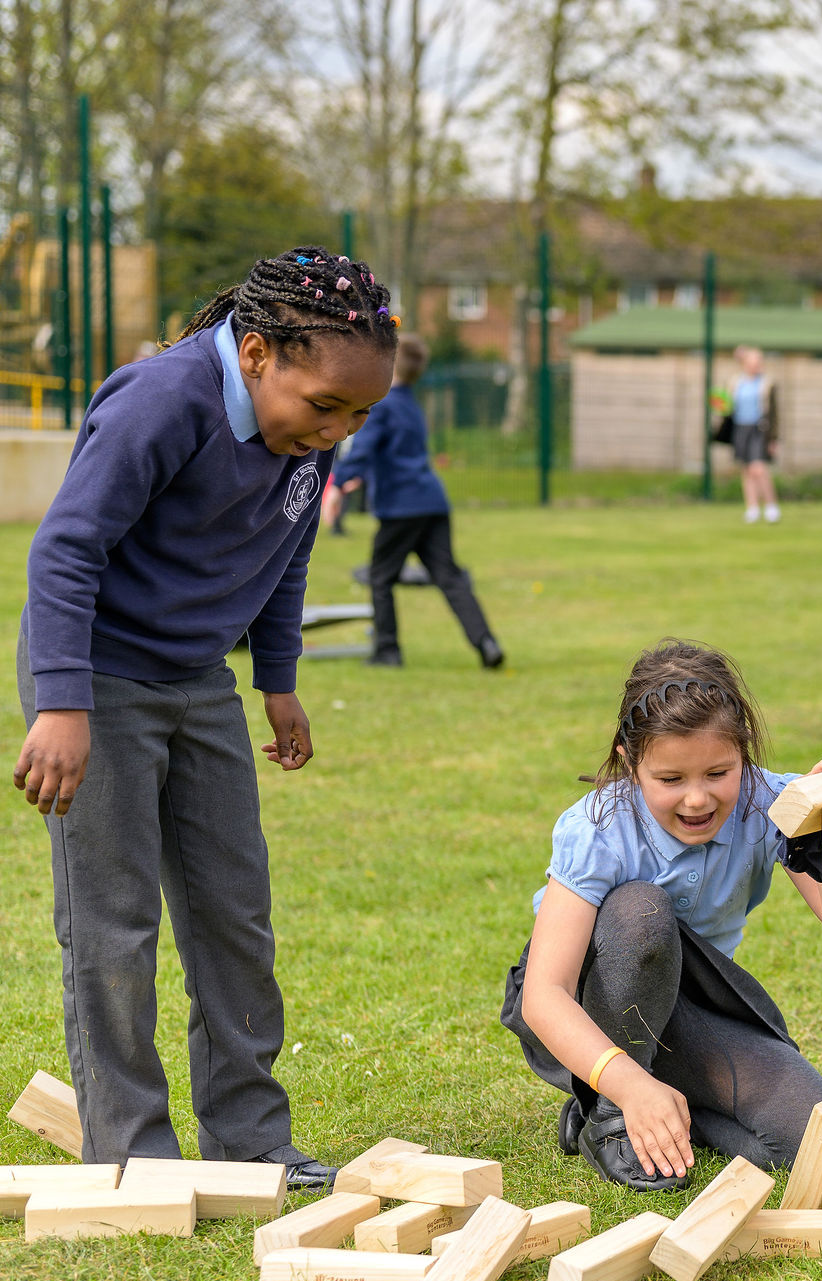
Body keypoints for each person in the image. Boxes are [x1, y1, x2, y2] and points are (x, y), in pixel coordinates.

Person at [13, 246, 398, 1182]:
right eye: (325, 408)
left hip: (197, 680)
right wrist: (62, 705)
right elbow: (65, 552)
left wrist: (278, 676)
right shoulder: (160, 401)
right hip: (98, 681)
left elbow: (285, 546)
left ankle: (251, 1137)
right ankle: (137, 1150)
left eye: (358, 414)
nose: (338, 430)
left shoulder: (311, 431)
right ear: (258, 352)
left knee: (233, 912)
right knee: (114, 923)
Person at [501, 640, 822, 1190]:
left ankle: (655, 1105)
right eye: (670, 780)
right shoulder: (598, 828)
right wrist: (627, 1087)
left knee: (811, 1140)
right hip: (588, 1008)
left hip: (693, 1008)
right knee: (642, 911)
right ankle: (610, 1111)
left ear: (745, 755)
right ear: (627, 759)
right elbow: (545, 995)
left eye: (718, 772)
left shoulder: (769, 802)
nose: (696, 800)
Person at [332, 332, 505, 670]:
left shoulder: (382, 406)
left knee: (381, 576)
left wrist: (337, 483)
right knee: (449, 577)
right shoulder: (412, 405)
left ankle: (387, 651)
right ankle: (487, 642)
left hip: (402, 505)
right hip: (432, 501)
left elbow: (363, 449)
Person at [730, 346, 781, 525]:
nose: (756, 365)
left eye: (759, 362)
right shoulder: (735, 382)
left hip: (759, 429)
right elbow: (727, 406)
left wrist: (774, 439)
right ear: (745, 364)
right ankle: (752, 508)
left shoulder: (767, 384)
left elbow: (774, 413)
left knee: (758, 469)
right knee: (746, 470)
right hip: (740, 428)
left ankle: (771, 506)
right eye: (752, 362)